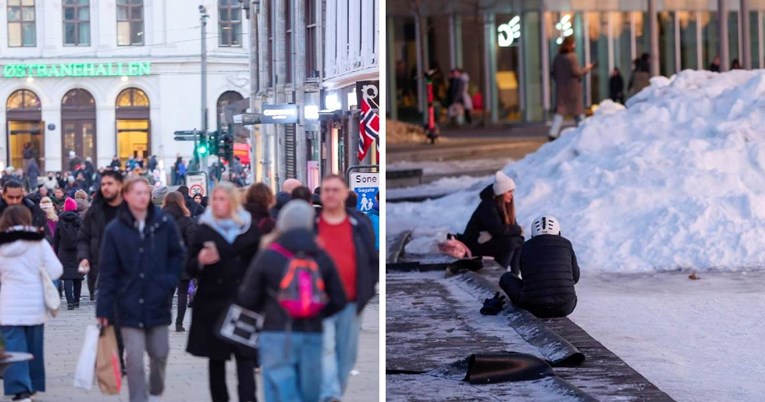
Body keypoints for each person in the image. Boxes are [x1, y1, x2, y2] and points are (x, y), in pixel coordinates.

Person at [238, 200, 347, 402]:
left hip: (276, 333)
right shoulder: (321, 255)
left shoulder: (269, 255)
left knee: (279, 391)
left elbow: (247, 298)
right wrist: (318, 312)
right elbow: (339, 299)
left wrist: (269, 309)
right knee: (309, 391)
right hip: (312, 333)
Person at [96, 176, 185, 402]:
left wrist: (168, 281)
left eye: (145, 192)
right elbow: (107, 272)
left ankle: (155, 393)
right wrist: (103, 310)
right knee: (134, 358)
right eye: (137, 192)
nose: (143, 196)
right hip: (128, 303)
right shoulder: (116, 229)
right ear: (126, 196)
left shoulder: (164, 223)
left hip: (158, 301)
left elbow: (177, 255)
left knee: (160, 353)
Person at [185, 182, 260, 402]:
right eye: (215, 198)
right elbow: (188, 265)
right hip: (212, 303)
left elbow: (260, 266)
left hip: (242, 303)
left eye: (222, 199)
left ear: (233, 201)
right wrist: (199, 260)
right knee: (215, 359)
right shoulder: (204, 228)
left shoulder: (248, 228)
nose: (217, 203)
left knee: (245, 358)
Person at [317, 175, 378, 402]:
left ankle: (335, 392)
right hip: (320, 302)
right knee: (325, 348)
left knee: (346, 356)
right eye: (327, 190)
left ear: (344, 194)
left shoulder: (358, 224)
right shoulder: (313, 227)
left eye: (336, 190)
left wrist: (367, 290)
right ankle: (329, 394)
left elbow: (371, 259)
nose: (331, 194)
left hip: (352, 300)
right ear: (322, 196)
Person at [0, 206, 63, 402]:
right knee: (34, 348)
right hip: (35, 304)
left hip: (9, 304)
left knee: (13, 348)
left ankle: (21, 391)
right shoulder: (39, 242)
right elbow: (56, 269)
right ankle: (33, 386)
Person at [499, 216, 580, 318]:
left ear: (533, 235)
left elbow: (526, 278)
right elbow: (575, 277)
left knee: (506, 277)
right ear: (558, 233)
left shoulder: (525, 247)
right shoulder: (566, 244)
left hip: (534, 307)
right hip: (566, 306)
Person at [456, 171, 523, 273]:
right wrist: (519, 229)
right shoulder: (488, 205)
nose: (511, 195)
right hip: (474, 244)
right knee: (510, 243)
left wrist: (516, 231)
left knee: (518, 241)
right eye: (509, 192)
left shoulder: (505, 206)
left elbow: (510, 228)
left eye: (512, 191)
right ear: (501, 192)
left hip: (489, 241)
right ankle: (500, 275)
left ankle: (515, 275)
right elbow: (499, 230)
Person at [78, 169, 124, 302]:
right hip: (100, 265)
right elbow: (83, 237)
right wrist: (84, 257)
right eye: (103, 184)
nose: (106, 187)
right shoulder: (94, 211)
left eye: (110, 184)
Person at [161, 192, 197, 332]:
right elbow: (193, 243)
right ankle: (179, 323)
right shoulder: (187, 221)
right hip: (183, 261)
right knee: (182, 293)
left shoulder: (160, 219)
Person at [549, 36, 594, 141]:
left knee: (560, 111)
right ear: (570, 44)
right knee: (578, 112)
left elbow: (553, 73)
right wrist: (586, 69)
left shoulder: (557, 58)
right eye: (573, 43)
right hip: (573, 89)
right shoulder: (572, 57)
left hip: (561, 89)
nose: (575, 45)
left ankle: (553, 132)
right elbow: (576, 72)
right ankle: (584, 131)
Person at [54, 198, 84, 310]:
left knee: (67, 278)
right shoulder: (79, 220)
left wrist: (56, 253)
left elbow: (56, 239)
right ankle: (76, 301)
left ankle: (70, 302)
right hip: (78, 252)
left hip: (64, 253)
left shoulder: (60, 220)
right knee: (78, 277)